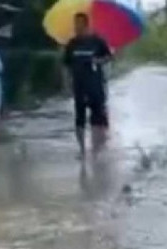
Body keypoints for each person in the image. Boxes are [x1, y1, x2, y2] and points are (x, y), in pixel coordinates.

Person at [63, 13, 112, 158]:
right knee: (80, 118)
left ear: (85, 24)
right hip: (78, 86)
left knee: (98, 118)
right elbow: (65, 65)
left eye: (78, 23)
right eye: (75, 23)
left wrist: (99, 61)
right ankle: (82, 150)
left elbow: (109, 56)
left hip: (95, 85)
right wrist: (66, 85)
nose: (76, 27)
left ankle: (97, 149)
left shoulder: (97, 41)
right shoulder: (71, 44)